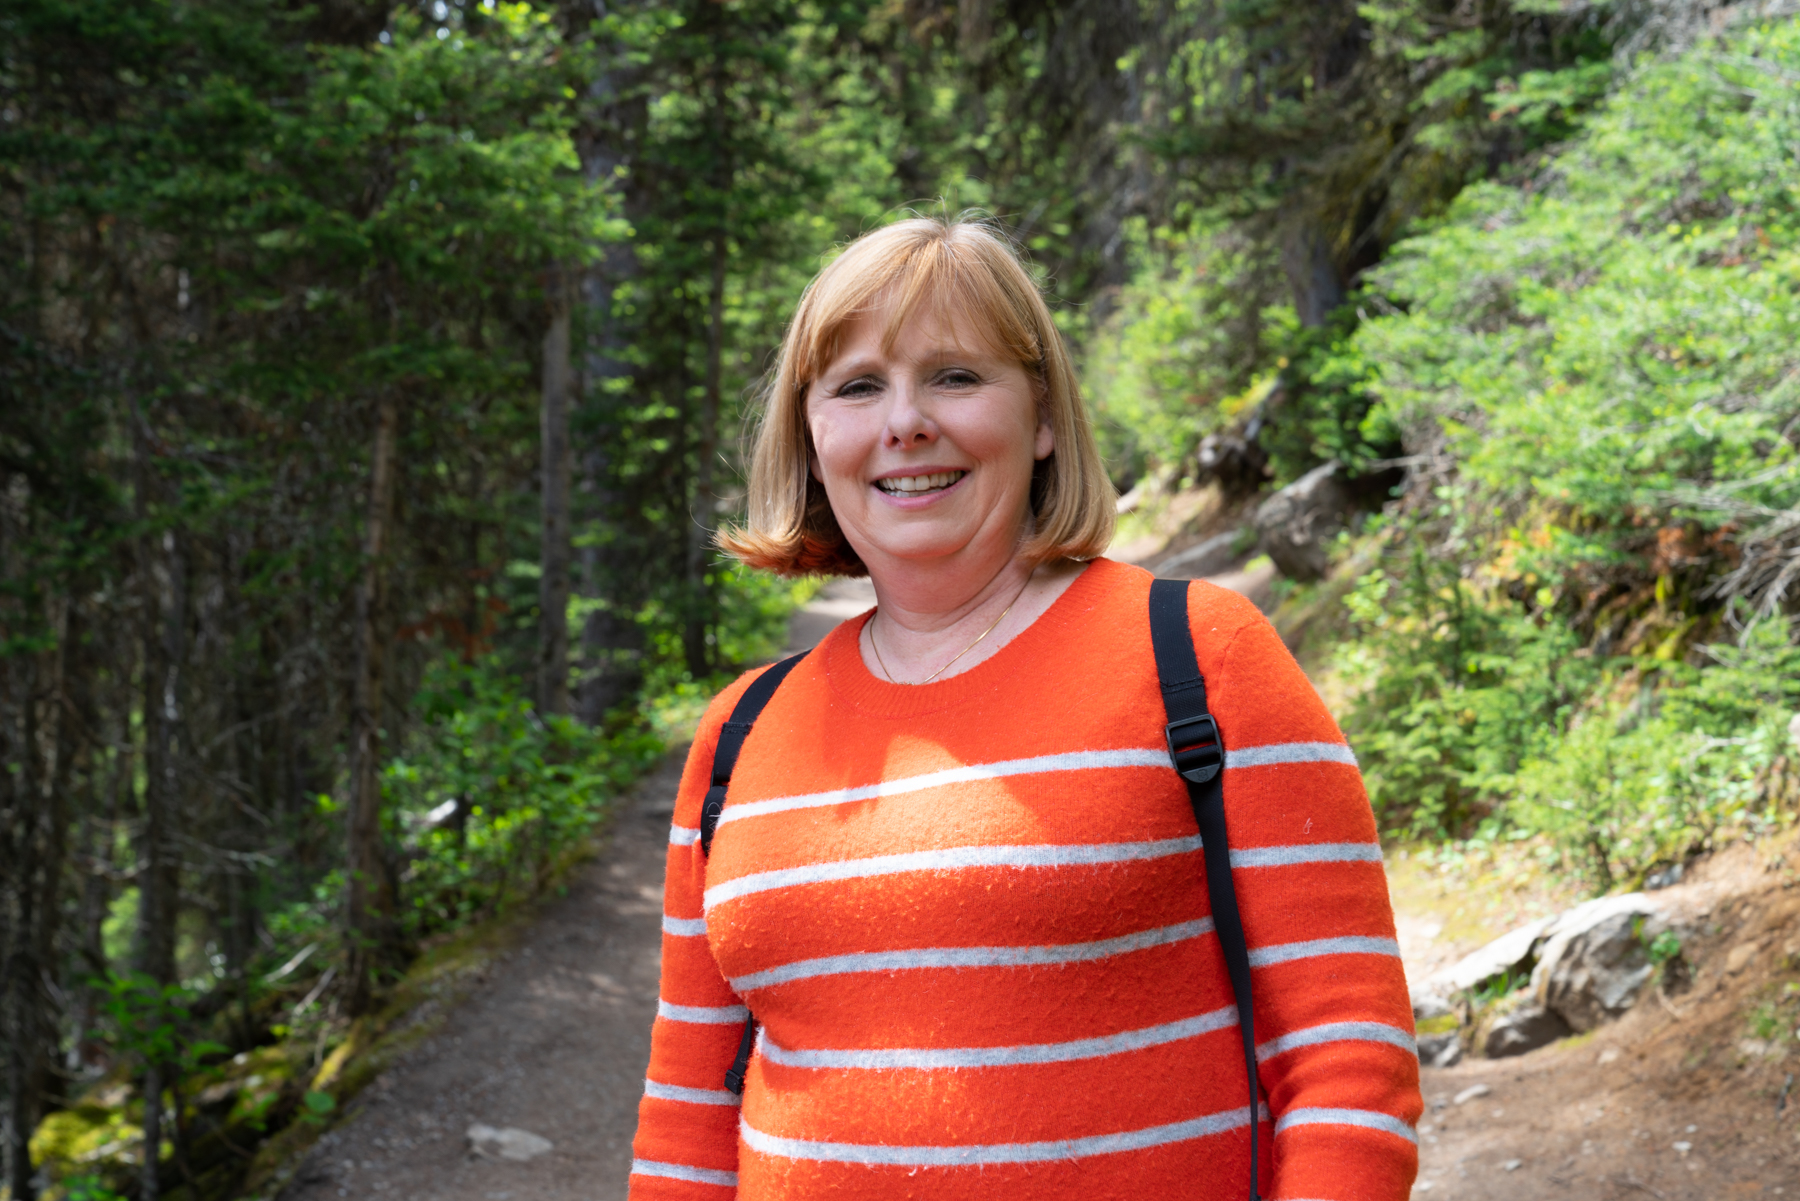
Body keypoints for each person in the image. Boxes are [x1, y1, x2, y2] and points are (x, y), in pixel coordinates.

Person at [628, 215, 1421, 1200]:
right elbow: (688, 1117)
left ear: (1042, 416)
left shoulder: (1200, 656)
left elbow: (1348, 1061)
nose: (905, 422)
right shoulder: (740, 734)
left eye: (955, 376)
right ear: (810, 434)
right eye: (858, 386)